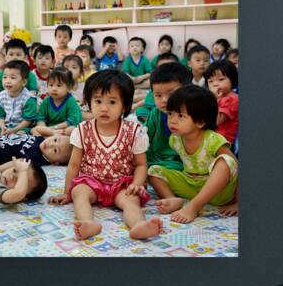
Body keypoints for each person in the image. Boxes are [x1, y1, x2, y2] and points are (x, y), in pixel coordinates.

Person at [49, 70, 162, 241]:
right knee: (78, 192)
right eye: (98, 101)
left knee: (131, 200)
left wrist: (137, 184)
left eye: (112, 102)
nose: (104, 108)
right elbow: (74, 165)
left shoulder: (133, 131)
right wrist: (67, 193)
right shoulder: (82, 130)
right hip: (92, 182)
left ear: (124, 106)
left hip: (122, 184)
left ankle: (139, 224)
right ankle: (88, 223)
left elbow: (140, 165)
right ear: (88, 103)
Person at [147, 84, 238, 222]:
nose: (172, 119)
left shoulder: (213, 140)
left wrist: (239, 203)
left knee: (226, 161)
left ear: (200, 122)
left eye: (180, 115)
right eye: (170, 113)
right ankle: (172, 199)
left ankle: (194, 207)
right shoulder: (175, 140)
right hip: (191, 185)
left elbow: (235, 168)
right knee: (153, 170)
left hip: (218, 192)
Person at [142, 62, 192, 179]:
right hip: (154, 158)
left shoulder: (191, 116)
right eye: (158, 95)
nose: (164, 100)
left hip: (179, 162)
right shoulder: (156, 113)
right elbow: (143, 136)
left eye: (171, 94)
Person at [0, 59, 38, 136]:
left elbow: (28, 120)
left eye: (12, 78)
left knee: (20, 135)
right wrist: (2, 126)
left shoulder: (28, 98)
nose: (7, 81)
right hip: (6, 126)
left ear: (24, 82)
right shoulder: (1, 96)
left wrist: (14, 130)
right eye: (5, 77)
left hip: (23, 127)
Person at [33, 66, 83, 135]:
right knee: (35, 130)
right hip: (50, 130)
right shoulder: (47, 100)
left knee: (72, 130)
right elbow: (41, 118)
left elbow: (72, 121)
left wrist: (55, 128)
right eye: (51, 85)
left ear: (69, 88)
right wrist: (46, 130)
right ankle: (44, 139)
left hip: (64, 130)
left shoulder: (70, 101)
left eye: (59, 85)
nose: (54, 89)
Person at [134, 52, 182, 122]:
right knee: (141, 111)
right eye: (162, 68)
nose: (165, 72)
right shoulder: (156, 83)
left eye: (170, 68)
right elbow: (150, 97)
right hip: (158, 110)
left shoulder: (179, 83)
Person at [208, 59, 239, 145]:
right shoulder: (220, 97)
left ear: (232, 80)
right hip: (215, 138)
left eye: (221, 79)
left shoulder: (232, 99)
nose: (215, 84)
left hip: (224, 142)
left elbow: (217, 121)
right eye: (211, 81)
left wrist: (214, 99)